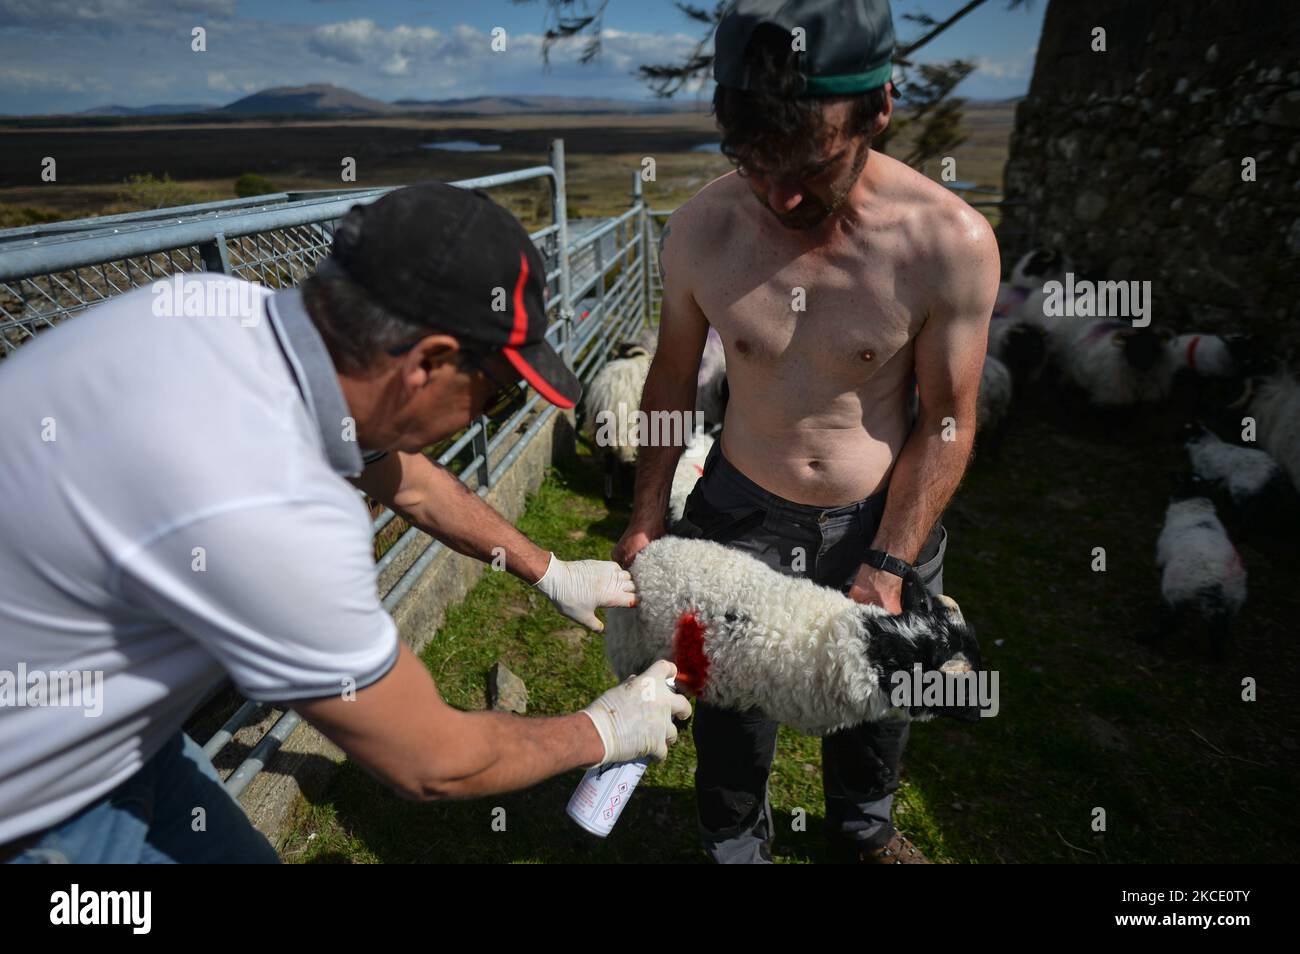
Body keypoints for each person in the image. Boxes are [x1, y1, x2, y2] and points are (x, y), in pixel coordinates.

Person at [0, 182, 689, 864]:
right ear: (427, 364)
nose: (481, 418)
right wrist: (602, 732)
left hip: (107, 735)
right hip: (33, 807)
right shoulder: (269, 502)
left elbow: (408, 481)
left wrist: (549, 569)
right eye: (494, 396)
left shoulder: (222, 311)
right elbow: (431, 760)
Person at [613, 0, 999, 863]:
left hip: (883, 515)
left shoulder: (949, 242)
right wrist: (646, 512)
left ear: (881, 108)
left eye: (812, 164)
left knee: (876, 696)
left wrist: (891, 562)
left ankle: (862, 835)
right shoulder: (702, 232)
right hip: (740, 516)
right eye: (755, 163)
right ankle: (735, 844)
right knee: (725, 705)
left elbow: (946, 417)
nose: (783, 194)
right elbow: (673, 377)